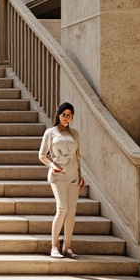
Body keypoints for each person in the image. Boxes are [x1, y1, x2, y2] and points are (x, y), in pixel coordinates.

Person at [38, 102, 85, 258]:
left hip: (73, 175)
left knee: (71, 212)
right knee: (62, 208)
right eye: (64, 115)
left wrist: (81, 175)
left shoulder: (75, 134)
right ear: (58, 115)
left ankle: (68, 247)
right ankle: (54, 246)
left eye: (70, 115)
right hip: (58, 174)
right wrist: (52, 165)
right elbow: (42, 155)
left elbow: (78, 157)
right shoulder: (50, 133)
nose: (67, 118)